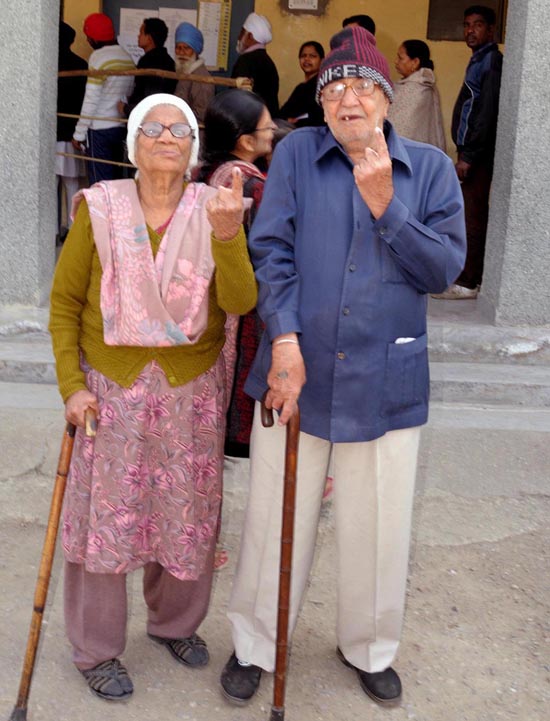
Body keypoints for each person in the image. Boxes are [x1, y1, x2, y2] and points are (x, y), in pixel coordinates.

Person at [219, 26, 466, 708]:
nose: (346, 98)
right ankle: (256, 643)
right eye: (333, 87)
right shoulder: (299, 154)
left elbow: (442, 269)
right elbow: (272, 251)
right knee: (275, 515)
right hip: (294, 373)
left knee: (379, 521)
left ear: (386, 98)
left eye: (361, 86)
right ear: (321, 102)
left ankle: (369, 646)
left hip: (387, 376)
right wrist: (287, 340)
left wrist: (388, 205)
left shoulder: (432, 171)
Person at [49, 93, 257, 702]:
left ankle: (173, 625)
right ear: (133, 145)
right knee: (103, 525)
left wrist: (227, 235)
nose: (167, 137)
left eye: (181, 130)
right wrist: (71, 385)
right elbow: (64, 306)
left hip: (191, 389)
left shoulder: (215, 207)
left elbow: (241, 302)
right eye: (153, 128)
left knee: (185, 515)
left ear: (193, 150)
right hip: (109, 390)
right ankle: (96, 648)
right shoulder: (99, 209)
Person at [196, 90, 275, 458]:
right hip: (242, 299)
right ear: (246, 141)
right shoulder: (252, 187)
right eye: (267, 126)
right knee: (244, 357)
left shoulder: (205, 172)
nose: (273, 130)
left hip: (203, 295)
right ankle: (239, 437)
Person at [435, 5, 503, 300]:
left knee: (473, 218)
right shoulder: (478, 60)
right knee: (469, 214)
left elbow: (486, 112)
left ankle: (469, 282)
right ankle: (469, 277)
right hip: (471, 151)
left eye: (477, 25)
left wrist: (469, 156)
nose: (470, 31)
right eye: (466, 25)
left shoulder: (491, 62)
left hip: (478, 155)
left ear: (491, 31)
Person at [72, 13, 135, 184]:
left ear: (94, 38)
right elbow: (128, 94)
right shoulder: (127, 57)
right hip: (121, 128)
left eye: (88, 37)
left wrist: (79, 133)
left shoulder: (98, 58)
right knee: (116, 182)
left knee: (99, 185)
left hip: (99, 130)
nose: (87, 41)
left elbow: (91, 100)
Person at [56, 21, 87, 242]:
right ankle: (73, 231)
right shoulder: (81, 63)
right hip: (71, 132)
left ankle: (52, 230)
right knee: (71, 183)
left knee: (49, 187)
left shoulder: (45, 62)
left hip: (48, 133)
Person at [388, 39, 446, 150]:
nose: (396, 61)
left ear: (415, 62)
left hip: (412, 152)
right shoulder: (412, 85)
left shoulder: (419, 88)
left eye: (400, 58)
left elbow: (401, 128)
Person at [118, 18, 177, 117]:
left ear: (149, 38)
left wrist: (125, 109)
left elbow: (151, 100)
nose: (138, 36)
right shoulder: (168, 60)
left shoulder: (150, 62)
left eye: (141, 33)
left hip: (148, 119)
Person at [231, 13, 279, 117]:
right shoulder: (268, 62)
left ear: (249, 36)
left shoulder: (245, 61)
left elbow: (238, 98)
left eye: (242, 32)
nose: (239, 37)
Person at [174, 22, 214, 129]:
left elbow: (201, 115)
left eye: (186, 48)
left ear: (195, 51)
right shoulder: (185, 72)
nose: (181, 52)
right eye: (178, 47)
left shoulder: (202, 78)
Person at [279, 41, 326, 127]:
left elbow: (318, 117)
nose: (306, 59)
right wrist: (287, 120)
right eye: (303, 56)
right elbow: (282, 113)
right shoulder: (301, 88)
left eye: (312, 56)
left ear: (322, 61)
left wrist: (295, 122)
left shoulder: (323, 86)